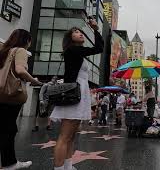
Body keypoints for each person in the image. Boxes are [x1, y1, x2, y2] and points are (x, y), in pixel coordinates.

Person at [50, 18, 104, 170]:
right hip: (74, 93)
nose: (80, 34)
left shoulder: (77, 52)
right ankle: (59, 168)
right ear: (70, 38)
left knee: (71, 135)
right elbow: (99, 48)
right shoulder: (73, 50)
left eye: (80, 32)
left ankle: (67, 165)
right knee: (64, 136)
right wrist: (95, 29)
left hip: (79, 93)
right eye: (76, 32)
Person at [0, 29, 42, 169]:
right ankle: (9, 163)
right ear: (26, 40)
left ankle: (9, 162)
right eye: (29, 41)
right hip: (11, 95)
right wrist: (34, 81)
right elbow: (20, 70)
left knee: (5, 127)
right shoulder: (20, 51)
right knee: (9, 129)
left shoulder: (4, 50)